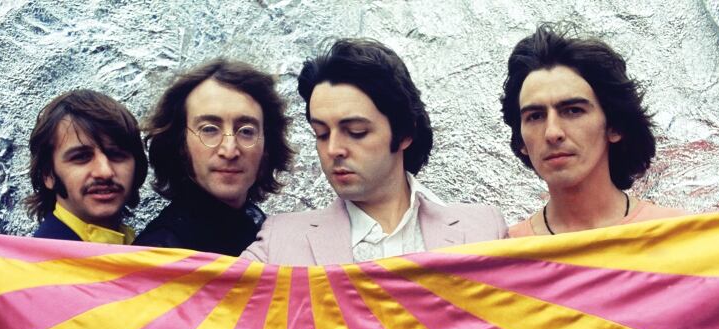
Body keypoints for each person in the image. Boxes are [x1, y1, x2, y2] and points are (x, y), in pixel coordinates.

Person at [242, 38, 507, 265]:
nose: (333, 149)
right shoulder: (280, 241)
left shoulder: (483, 230)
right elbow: (213, 306)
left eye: (356, 131)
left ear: (405, 133)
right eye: (321, 134)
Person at [501, 24, 686, 237]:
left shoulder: (678, 235)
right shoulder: (504, 254)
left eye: (573, 111)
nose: (552, 133)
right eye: (534, 116)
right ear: (521, 141)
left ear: (614, 126)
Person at [134, 59, 293, 255]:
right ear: (180, 144)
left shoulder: (263, 230)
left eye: (246, 131)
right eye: (209, 129)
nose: (229, 150)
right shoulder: (158, 254)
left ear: (267, 146)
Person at [26, 89, 148, 244]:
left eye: (116, 154)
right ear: (48, 175)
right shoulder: (35, 265)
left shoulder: (150, 251)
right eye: (81, 157)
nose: (105, 172)